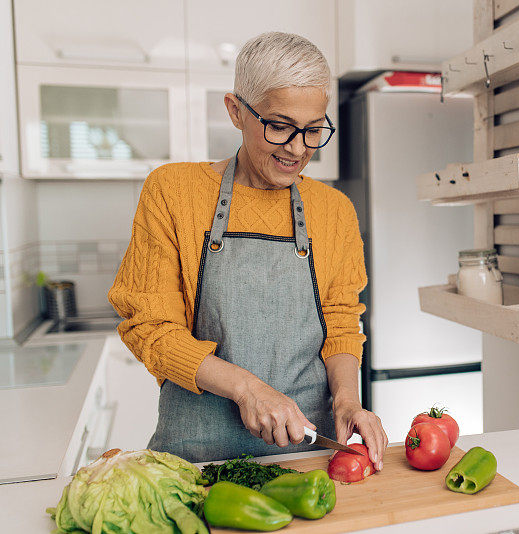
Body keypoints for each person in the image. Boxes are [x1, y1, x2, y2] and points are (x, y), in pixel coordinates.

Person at [108, 31, 388, 468]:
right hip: (194, 462)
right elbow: (150, 326)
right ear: (236, 111)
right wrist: (247, 389)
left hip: (309, 457)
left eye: (313, 130)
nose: (297, 148)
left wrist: (348, 402)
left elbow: (340, 320)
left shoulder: (334, 211)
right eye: (279, 126)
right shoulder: (173, 192)